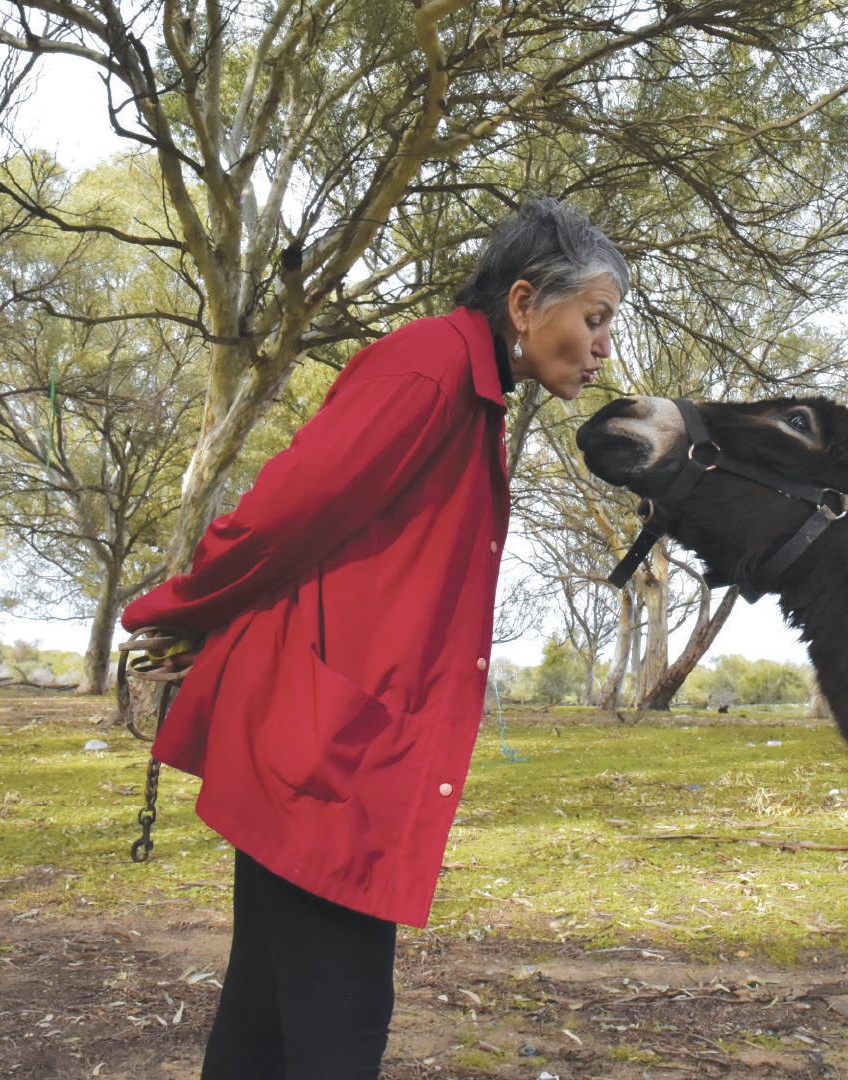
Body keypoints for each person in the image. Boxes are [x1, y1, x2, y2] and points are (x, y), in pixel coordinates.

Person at [119, 199, 628, 1079]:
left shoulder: (470, 397)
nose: (602, 346)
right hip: (325, 755)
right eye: (594, 318)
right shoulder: (429, 369)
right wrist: (179, 607)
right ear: (522, 303)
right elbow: (284, 512)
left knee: (269, 1019)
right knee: (337, 1031)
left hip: (336, 740)